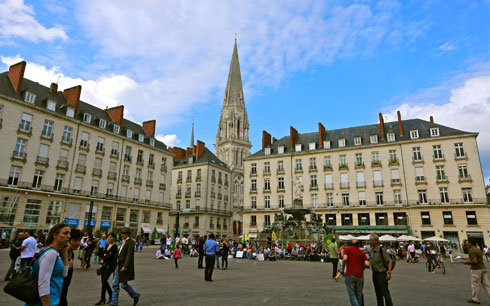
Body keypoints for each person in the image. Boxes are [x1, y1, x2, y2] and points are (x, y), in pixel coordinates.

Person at [26, 223, 70, 306]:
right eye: (65, 233)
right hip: (44, 302)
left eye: (69, 233)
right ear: (55, 235)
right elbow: (43, 282)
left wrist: (64, 251)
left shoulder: (53, 252)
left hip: (52, 300)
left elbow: (64, 274)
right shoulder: (51, 253)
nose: (69, 236)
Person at [111, 228, 140, 306]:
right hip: (118, 265)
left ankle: (135, 295)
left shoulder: (130, 242)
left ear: (127, 234)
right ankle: (114, 303)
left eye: (123, 233)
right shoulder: (123, 242)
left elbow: (129, 255)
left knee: (123, 285)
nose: (121, 235)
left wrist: (125, 266)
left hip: (123, 266)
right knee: (115, 284)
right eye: (121, 233)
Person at [341, 239, 370, 306]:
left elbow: (345, 259)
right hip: (359, 275)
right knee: (359, 295)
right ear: (359, 245)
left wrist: (342, 269)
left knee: (352, 294)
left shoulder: (347, 250)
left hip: (350, 274)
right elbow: (367, 264)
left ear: (351, 244)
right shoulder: (361, 253)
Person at [59, 228, 82, 306]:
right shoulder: (58, 254)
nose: (78, 243)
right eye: (75, 240)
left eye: (79, 240)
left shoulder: (72, 254)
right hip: (55, 293)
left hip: (64, 291)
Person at [369, 234, 394, 306]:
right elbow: (370, 261)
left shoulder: (381, 250)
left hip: (382, 274)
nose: (370, 241)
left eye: (371, 240)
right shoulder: (371, 251)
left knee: (385, 293)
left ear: (376, 241)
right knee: (378, 294)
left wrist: (389, 273)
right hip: (375, 274)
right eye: (369, 240)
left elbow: (390, 261)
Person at [464, 239, 490, 304]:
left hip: (476, 269)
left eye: (468, 243)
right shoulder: (478, 249)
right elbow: (476, 258)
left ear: (470, 243)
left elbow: (475, 261)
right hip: (483, 268)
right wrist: (467, 258)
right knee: (487, 285)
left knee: (475, 284)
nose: (467, 244)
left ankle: (476, 299)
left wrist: (466, 262)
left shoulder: (472, 250)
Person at [95, 233, 117, 305]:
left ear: (114, 238)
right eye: (108, 237)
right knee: (103, 281)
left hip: (110, 266)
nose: (109, 238)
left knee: (104, 280)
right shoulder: (107, 245)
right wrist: (105, 255)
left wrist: (105, 255)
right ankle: (103, 298)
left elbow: (110, 256)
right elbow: (103, 255)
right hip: (104, 265)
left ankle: (107, 296)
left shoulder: (115, 246)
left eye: (110, 237)